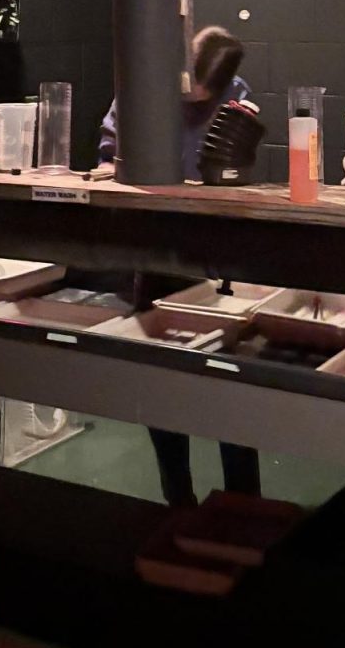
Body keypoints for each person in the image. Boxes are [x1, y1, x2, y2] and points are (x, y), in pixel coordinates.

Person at [97, 26, 261, 508]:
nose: (195, 105)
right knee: (162, 391)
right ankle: (178, 504)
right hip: (155, 251)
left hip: (214, 260)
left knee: (229, 395)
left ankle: (244, 505)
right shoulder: (142, 87)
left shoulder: (238, 95)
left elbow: (239, 170)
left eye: (204, 100)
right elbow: (106, 162)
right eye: (190, 97)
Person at [98, 25, 250, 181]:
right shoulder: (145, 85)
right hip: (145, 189)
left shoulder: (236, 96)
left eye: (202, 89)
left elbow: (236, 162)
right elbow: (111, 146)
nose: (192, 93)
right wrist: (109, 165)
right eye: (191, 81)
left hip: (205, 196)